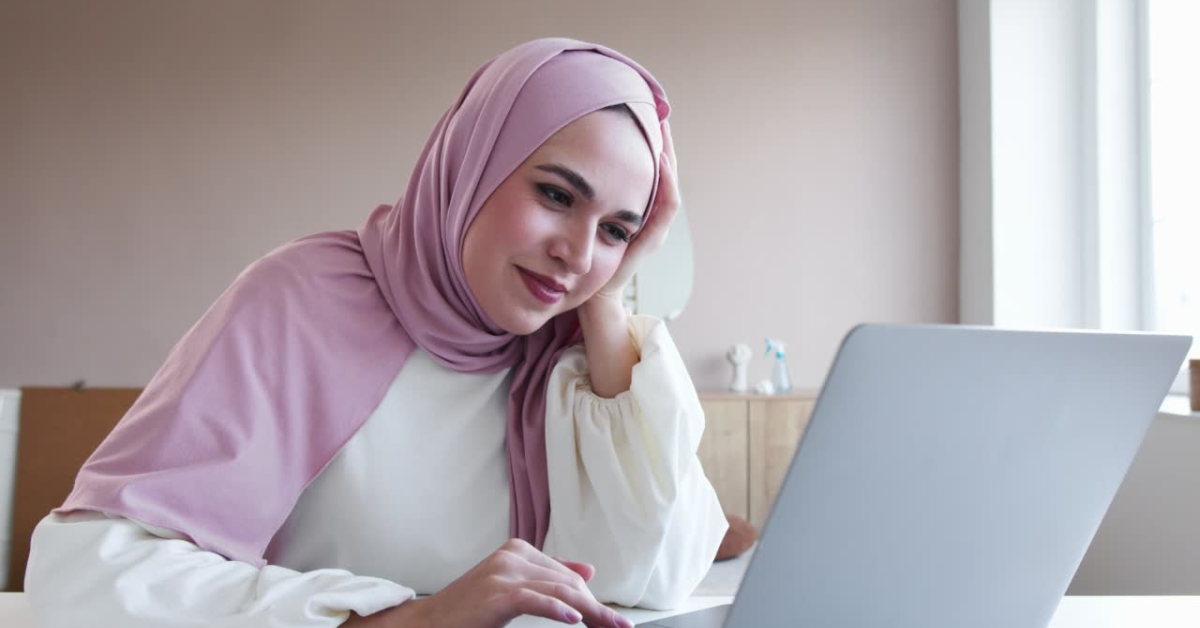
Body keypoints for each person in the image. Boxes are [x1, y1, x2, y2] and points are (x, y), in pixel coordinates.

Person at [24, 37, 727, 628]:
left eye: (615, 230)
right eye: (554, 194)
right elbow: (87, 575)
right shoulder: (304, 301)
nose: (576, 252)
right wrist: (397, 619)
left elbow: (651, 575)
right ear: (473, 165)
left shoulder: (574, 357)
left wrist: (605, 300)